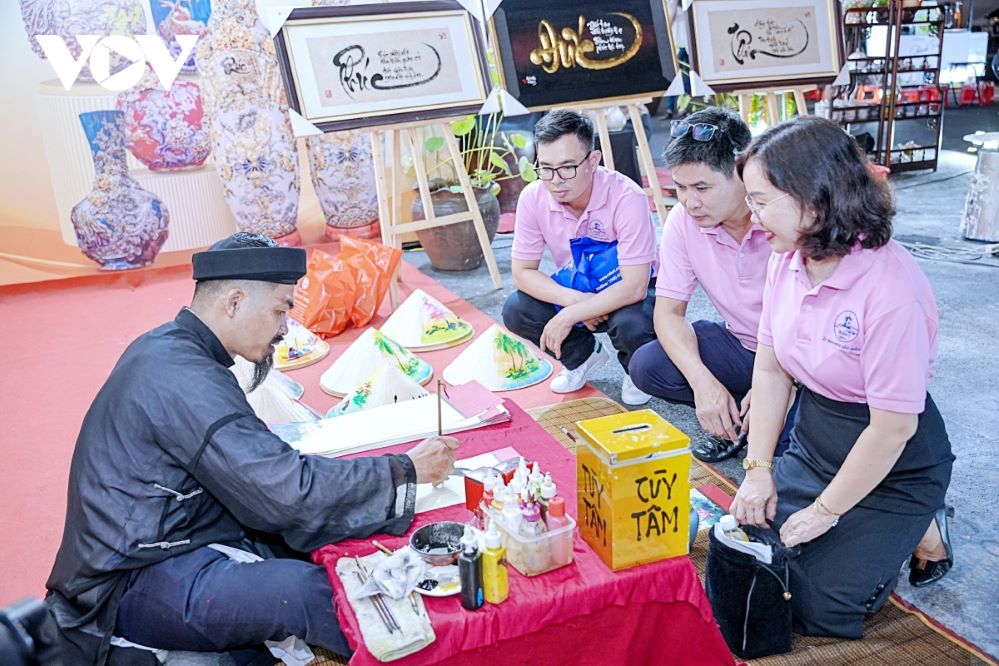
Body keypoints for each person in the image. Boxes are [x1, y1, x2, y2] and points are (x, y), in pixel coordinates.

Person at [45, 233, 460, 664]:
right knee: (303, 592)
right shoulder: (185, 378)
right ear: (234, 301)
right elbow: (284, 490)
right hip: (129, 580)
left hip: (181, 538)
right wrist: (404, 469)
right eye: (281, 309)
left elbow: (266, 474)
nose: (284, 328)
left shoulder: (170, 349)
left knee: (326, 544)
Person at [730, 117, 954, 638]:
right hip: (816, 441)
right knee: (754, 555)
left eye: (761, 201)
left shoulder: (892, 289)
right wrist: (758, 469)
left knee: (813, 605)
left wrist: (826, 511)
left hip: (893, 461)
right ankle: (898, 530)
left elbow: (892, 428)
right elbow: (771, 368)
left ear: (813, 199)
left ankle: (919, 523)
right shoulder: (786, 259)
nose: (752, 215)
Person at [629, 107, 797, 462]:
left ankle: (770, 419)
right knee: (647, 365)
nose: (690, 202)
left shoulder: (783, 217)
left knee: (789, 460)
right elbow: (668, 314)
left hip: (799, 359)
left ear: (742, 174)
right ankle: (737, 418)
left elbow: (814, 329)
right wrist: (703, 384)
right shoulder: (683, 221)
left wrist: (779, 385)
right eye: (680, 187)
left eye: (702, 188)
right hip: (743, 346)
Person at [502, 109, 658, 405]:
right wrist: (574, 300)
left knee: (633, 322)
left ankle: (635, 367)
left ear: (593, 160)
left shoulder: (627, 198)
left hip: (631, 286)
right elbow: (522, 272)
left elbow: (635, 286)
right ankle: (583, 357)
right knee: (517, 309)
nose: (555, 180)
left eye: (567, 168)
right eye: (545, 168)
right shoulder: (533, 197)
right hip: (579, 284)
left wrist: (571, 314)